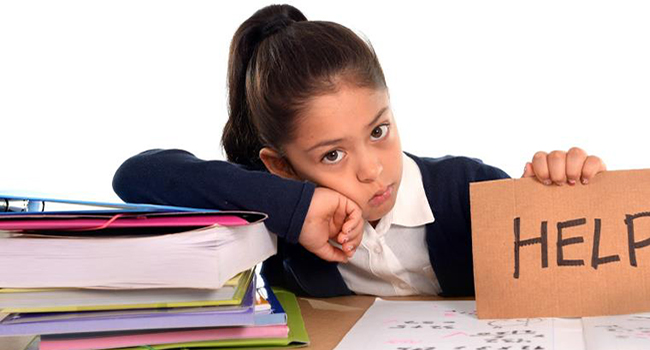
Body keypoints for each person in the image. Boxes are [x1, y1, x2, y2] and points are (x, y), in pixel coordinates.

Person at [112, 4, 606, 298]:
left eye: (378, 131)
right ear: (281, 167)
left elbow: (581, 276)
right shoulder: (283, 219)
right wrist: (296, 208)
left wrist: (568, 190)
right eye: (332, 155)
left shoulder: (468, 190)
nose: (372, 169)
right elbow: (136, 175)